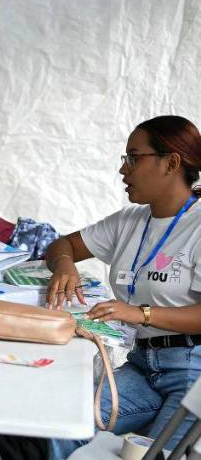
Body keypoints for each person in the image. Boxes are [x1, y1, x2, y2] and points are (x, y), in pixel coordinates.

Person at [45, 115, 201, 459]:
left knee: (157, 456)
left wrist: (140, 313)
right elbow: (61, 245)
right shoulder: (129, 221)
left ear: (171, 163)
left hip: (194, 373)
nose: (122, 169)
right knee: (59, 422)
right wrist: (65, 264)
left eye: (133, 158)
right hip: (144, 364)